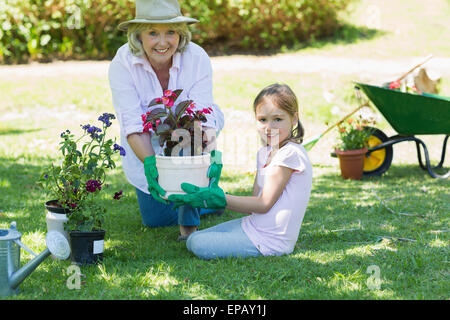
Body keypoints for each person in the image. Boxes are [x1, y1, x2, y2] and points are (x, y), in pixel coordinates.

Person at [108, 0, 224, 240]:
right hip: (146, 144)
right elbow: (132, 122)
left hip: (189, 136)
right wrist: (151, 164)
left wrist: (210, 152)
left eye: (170, 32)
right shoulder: (123, 63)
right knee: (156, 220)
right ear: (138, 35)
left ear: (180, 34)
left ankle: (189, 227)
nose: (162, 42)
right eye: (153, 33)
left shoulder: (196, 57)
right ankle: (208, 200)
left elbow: (202, 115)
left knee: (185, 133)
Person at [169, 83, 313, 259]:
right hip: (252, 226)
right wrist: (209, 193)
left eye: (277, 119)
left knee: (196, 243)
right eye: (262, 119)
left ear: (294, 118)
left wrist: (219, 198)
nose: (269, 127)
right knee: (193, 238)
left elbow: (263, 203)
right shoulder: (264, 153)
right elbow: (254, 204)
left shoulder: (290, 154)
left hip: (271, 240)